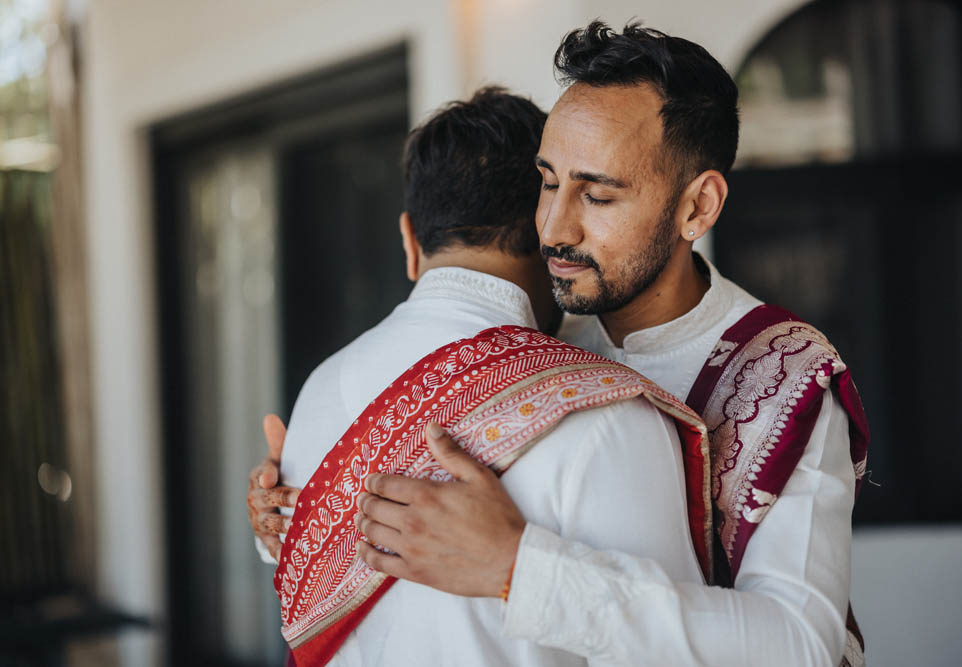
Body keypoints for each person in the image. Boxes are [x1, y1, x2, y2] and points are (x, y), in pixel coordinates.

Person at [250, 22, 870, 666]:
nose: (552, 227)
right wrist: (300, 509)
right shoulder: (528, 337)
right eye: (548, 182)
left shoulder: (782, 375)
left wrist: (521, 569)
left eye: (597, 194)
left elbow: (802, 647)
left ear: (698, 207)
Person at [255, 86, 710, 666]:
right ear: (553, 230)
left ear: (409, 240)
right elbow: (678, 651)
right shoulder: (603, 409)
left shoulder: (320, 389)